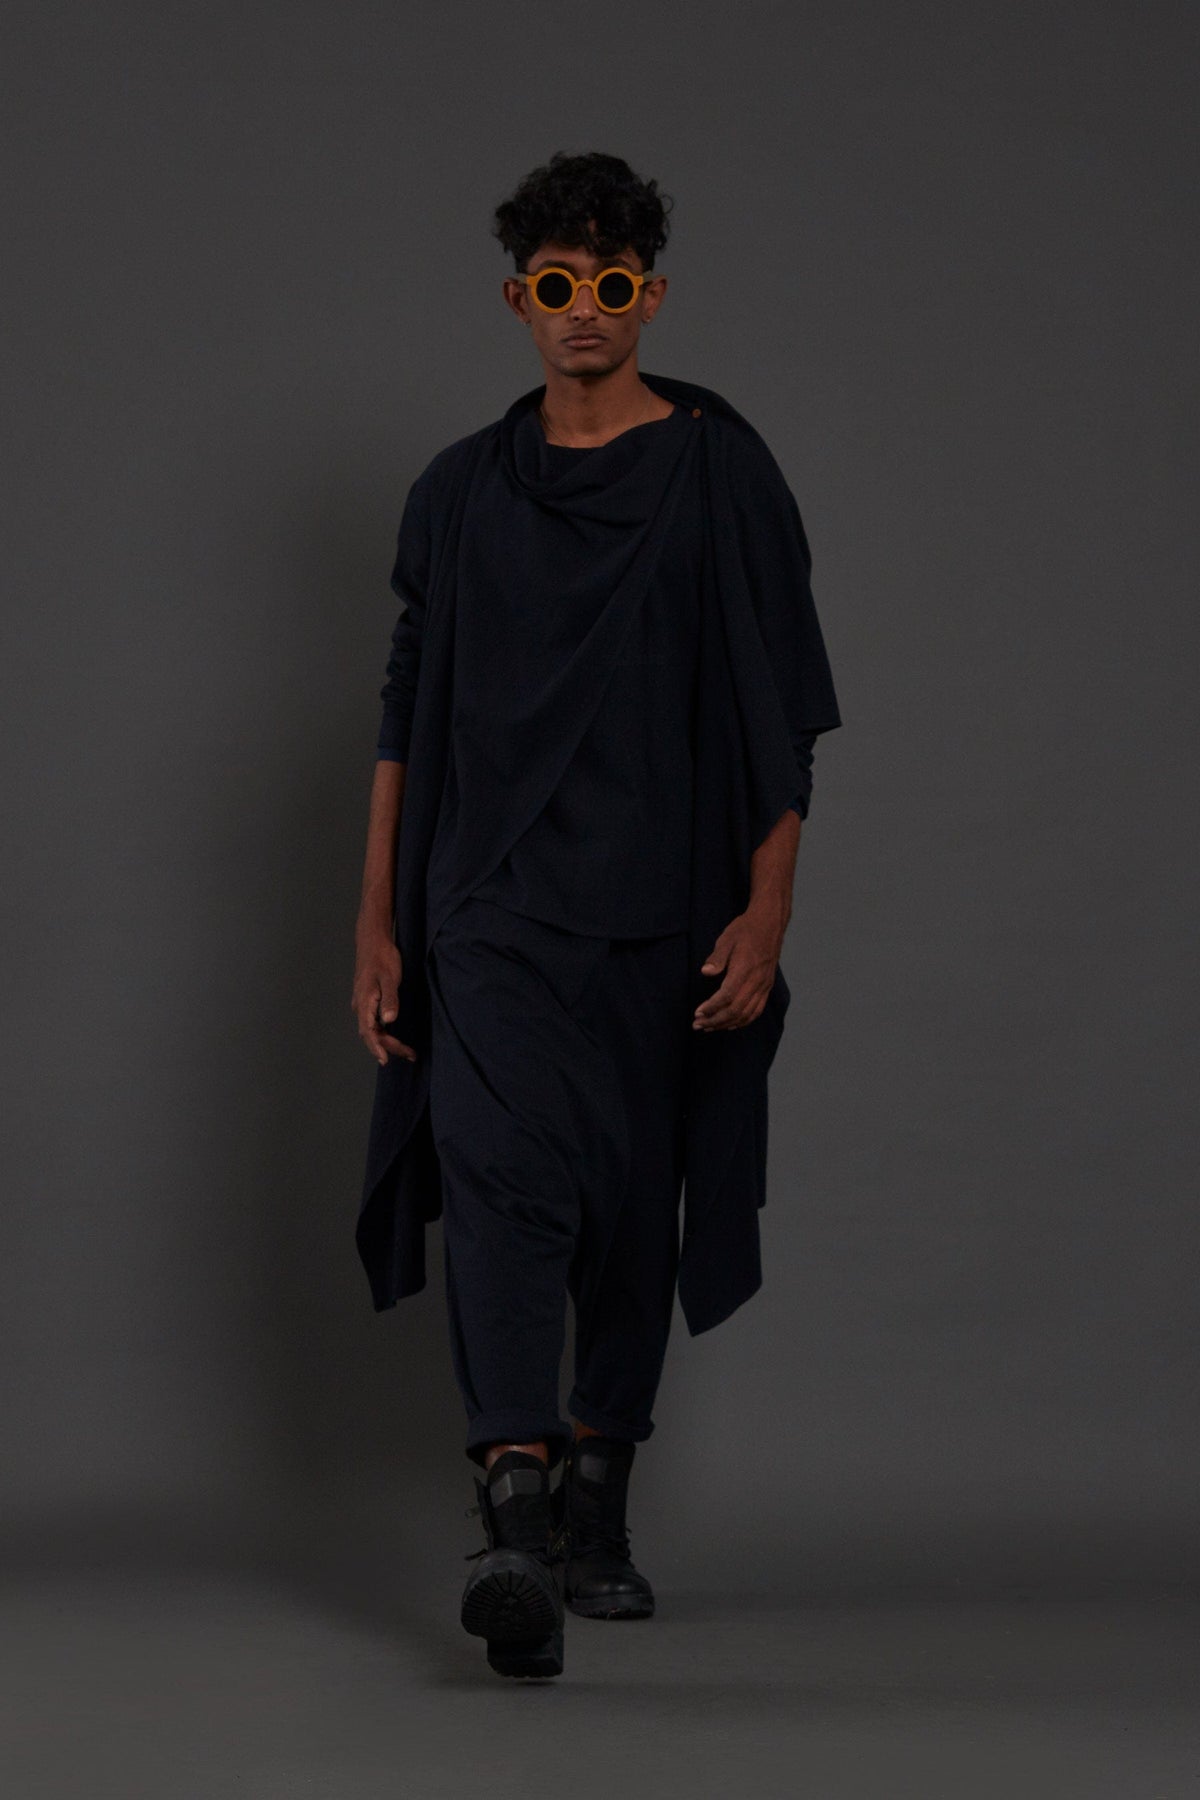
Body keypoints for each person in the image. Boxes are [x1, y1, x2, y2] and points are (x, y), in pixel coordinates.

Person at [350, 151, 842, 1681]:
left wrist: (767, 910)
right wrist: (374, 923)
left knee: (633, 1208)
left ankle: (597, 1502)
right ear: (519, 300)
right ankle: (512, 1510)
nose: (584, 309)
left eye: (611, 284)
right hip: (487, 906)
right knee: (500, 1182)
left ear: (652, 296)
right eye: (557, 284)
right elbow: (406, 713)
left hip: (663, 907)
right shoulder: (459, 491)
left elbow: (783, 713)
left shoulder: (719, 471)